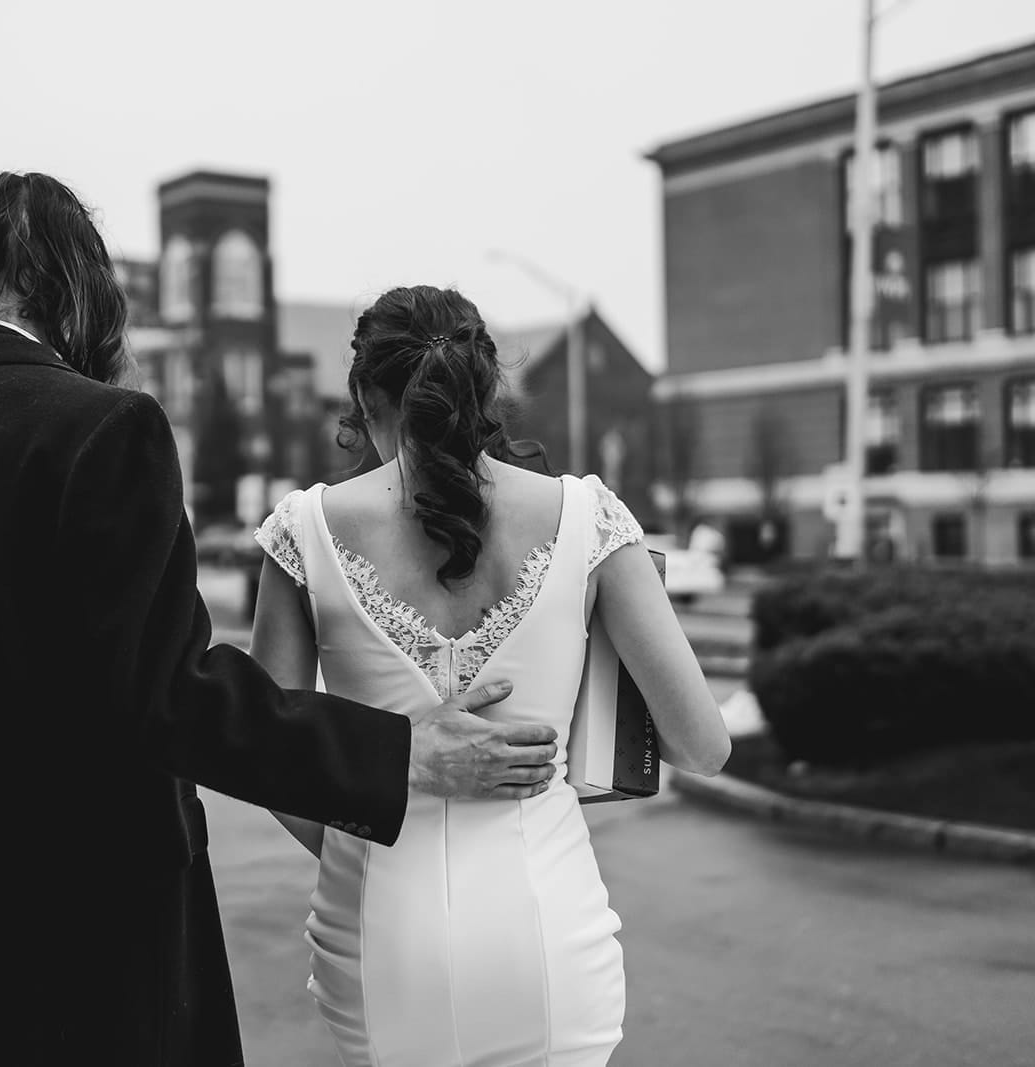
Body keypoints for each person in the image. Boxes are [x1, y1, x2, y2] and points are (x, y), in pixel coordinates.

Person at [0, 174, 563, 1066]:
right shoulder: (101, 431)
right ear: (78, 298)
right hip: (52, 957)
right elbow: (169, 694)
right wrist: (397, 750)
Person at [249, 286, 731, 1067]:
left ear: (367, 397)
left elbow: (270, 758)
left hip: (378, 938)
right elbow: (702, 745)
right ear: (486, 393)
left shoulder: (302, 531)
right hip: (546, 934)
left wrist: (360, 843)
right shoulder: (589, 519)